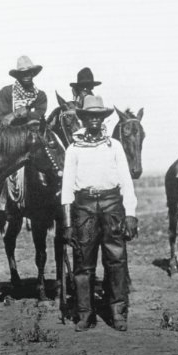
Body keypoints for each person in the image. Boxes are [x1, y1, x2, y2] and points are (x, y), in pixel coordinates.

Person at [61, 95, 138, 332]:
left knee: (116, 260)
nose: (94, 120)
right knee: (83, 263)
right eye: (89, 116)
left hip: (111, 205)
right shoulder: (73, 149)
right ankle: (85, 313)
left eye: (98, 116)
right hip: (84, 208)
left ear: (102, 118)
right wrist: (67, 223)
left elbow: (126, 180)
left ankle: (117, 312)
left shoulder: (114, 146)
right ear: (83, 119)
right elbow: (66, 186)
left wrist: (131, 213)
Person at [0, 56, 47, 215]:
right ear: (17, 75)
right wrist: (22, 113)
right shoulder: (6, 92)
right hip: (11, 139)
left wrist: (18, 115)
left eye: (30, 72)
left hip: (33, 139)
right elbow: (3, 121)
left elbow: (37, 117)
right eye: (23, 72)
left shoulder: (40, 96)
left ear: (33, 73)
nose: (27, 75)